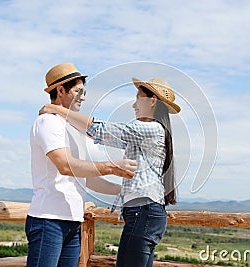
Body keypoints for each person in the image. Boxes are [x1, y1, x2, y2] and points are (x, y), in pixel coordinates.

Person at [40, 77, 181, 267]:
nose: (134, 104)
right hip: (146, 213)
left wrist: (58, 110)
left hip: (143, 213)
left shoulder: (151, 129)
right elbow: (103, 135)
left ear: (152, 101)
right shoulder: (146, 134)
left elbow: (102, 130)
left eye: (138, 98)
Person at [27, 63, 137, 267]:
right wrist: (112, 167)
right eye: (78, 91)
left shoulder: (72, 127)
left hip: (72, 222)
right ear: (60, 90)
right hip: (48, 220)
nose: (83, 97)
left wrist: (124, 191)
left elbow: (87, 177)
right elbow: (65, 166)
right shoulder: (47, 122)